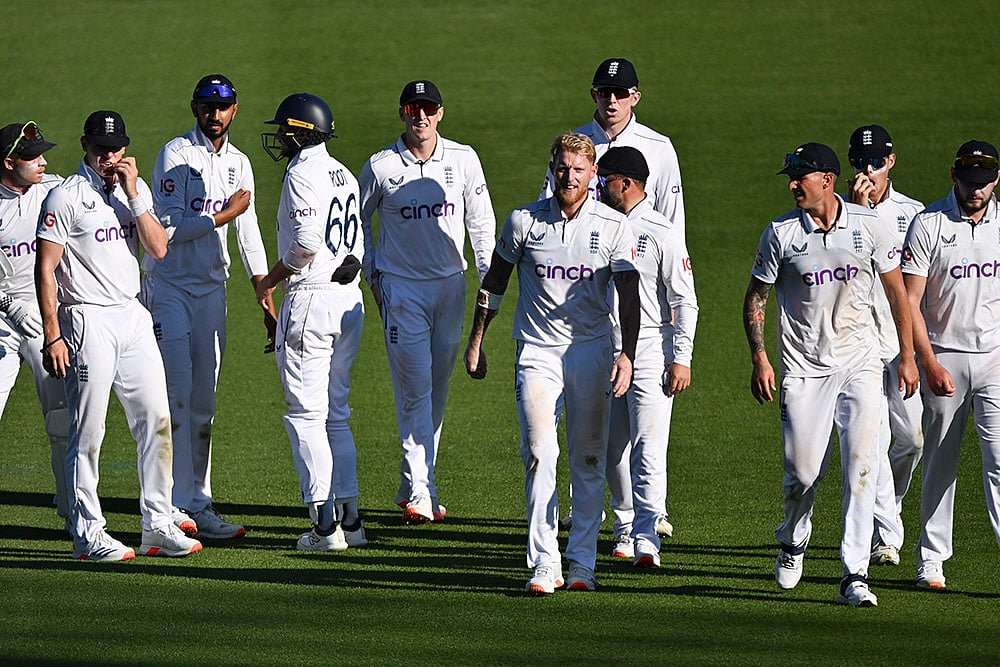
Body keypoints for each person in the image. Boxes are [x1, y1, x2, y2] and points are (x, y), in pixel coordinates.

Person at [742, 142, 917, 607]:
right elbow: (755, 298)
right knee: (802, 472)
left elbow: (898, 293)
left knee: (863, 464)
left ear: (828, 179)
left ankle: (854, 573)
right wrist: (761, 357)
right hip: (804, 369)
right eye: (790, 178)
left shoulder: (869, 227)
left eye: (800, 177)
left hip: (859, 362)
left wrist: (907, 355)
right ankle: (793, 540)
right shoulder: (780, 234)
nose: (793, 185)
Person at [464, 132, 639, 595]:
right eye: (563, 167)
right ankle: (545, 563)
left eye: (579, 169)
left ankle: (581, 563)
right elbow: (493, 283)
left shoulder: (613, 226)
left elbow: (628, 292)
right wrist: (476, 341)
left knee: (587, 456)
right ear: (552, 167)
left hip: (591, 351)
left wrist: (627, 354)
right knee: (540, 452)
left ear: (593, 173)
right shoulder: (524, 221)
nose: (569, 176)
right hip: (537, 353)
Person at [35, 110, 201, 560]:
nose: (110, 157)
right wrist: (53, 334)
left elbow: (159, 248)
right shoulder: (64, 197)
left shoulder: (136, 190)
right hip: (87, 319)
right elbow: (45, 270)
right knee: (87, 431)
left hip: (132, 315)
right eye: (101, 149)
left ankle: (158, 523)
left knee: (156, 419)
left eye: (117, 148)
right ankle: (87, 534)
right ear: (85, 147)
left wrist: (134, 196)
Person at [544, 57, 684, 536]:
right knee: (589, 422)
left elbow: (671, 223)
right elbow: (556, 212)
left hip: (644, 299)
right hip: (586, 305)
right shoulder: (578, 144)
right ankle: (595, 508)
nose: (611, 100)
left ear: (635, 97)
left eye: (619, 93)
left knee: (643, 426)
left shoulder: (659, 149)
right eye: (603, 92)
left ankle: (649, 516)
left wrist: (669, 298)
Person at [142, 74, 273, 540]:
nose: (214, 114)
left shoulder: (240, 162)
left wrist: (263, 288)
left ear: (234, 110)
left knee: (205, 403)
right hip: (170, 288)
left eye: (222, 107)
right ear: (194, 108)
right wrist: (221, 216)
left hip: (212, 291)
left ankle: (199, 501)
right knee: (175, 395)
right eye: (205, 106)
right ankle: (172, 506)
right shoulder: (175, 156)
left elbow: (249, 231)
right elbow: (168, 230)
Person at [359, 79, 495, 524]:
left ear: (440, 113)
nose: (421, 116)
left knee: (436, 388)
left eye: (428, 108)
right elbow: (354, 222)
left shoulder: (463, 159)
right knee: (414, 388)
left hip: (451, 287)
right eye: (412, 108)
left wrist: (486, 282)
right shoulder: (380, 166)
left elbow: (481, 222)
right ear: (402, 113)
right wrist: (373, 276)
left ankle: (410, 479)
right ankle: (423, 491)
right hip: (402, 290)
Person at [256, 93, 368, 551]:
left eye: (286, 129)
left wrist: (270, 280)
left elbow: (303, 246)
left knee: (306, 415)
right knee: (335, 415)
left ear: (301, 132)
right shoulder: (342, 171)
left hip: (311, 302)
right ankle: (352, 522)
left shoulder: (302, 173)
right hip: (347, 301)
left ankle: (324, 528)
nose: (280, 136)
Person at [901, 140, 1000, 590]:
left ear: (996, 180)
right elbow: (911, 302)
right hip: (944, 356)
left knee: (998, 460)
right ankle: (931, 559)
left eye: (983, 183)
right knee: (940, 459)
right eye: (968, 182)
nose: (975, 191)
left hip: (996, 358)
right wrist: (927, 361)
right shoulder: (930, 224)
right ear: (952, 176)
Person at [596, 147, 698, 568]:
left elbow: (684, 297)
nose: (596, 186)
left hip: (652, 351)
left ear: (625, 183)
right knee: (611, 447)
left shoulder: (661, 231)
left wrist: (682, 357)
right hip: (603, 347)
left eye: (604, 180)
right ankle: (623, 528)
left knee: (648, 448)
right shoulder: (596, 225)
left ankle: (646, 536)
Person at [845, 125, 925, 567]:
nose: (867, 170)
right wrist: (858, 213)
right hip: (857, 344)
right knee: (871, 441)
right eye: (859, 161)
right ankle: (886, 533)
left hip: (898, 344)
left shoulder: (913, 215)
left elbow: (914, 290)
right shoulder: (836, 213)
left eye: (875, 161)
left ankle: (888, 507)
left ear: (891, 161)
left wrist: (915, 352)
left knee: (911, 439)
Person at [0, 121, 71, 522]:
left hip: (48, 321)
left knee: (62, 417)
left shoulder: (52, 190)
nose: (42, 162)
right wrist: (9, 304)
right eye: (32, 157)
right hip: (5, 321)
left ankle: (70, 506)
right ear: (9, 162)